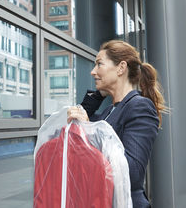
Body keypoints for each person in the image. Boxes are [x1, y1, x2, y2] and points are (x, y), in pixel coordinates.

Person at [67, 40, 166, 208]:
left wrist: (91, 131)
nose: (93, 72)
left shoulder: (140, 106)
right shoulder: (108, 112)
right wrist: (99, 95)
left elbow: (132, 173)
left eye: (99, 64)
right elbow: (78, 126)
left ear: (121, 68)